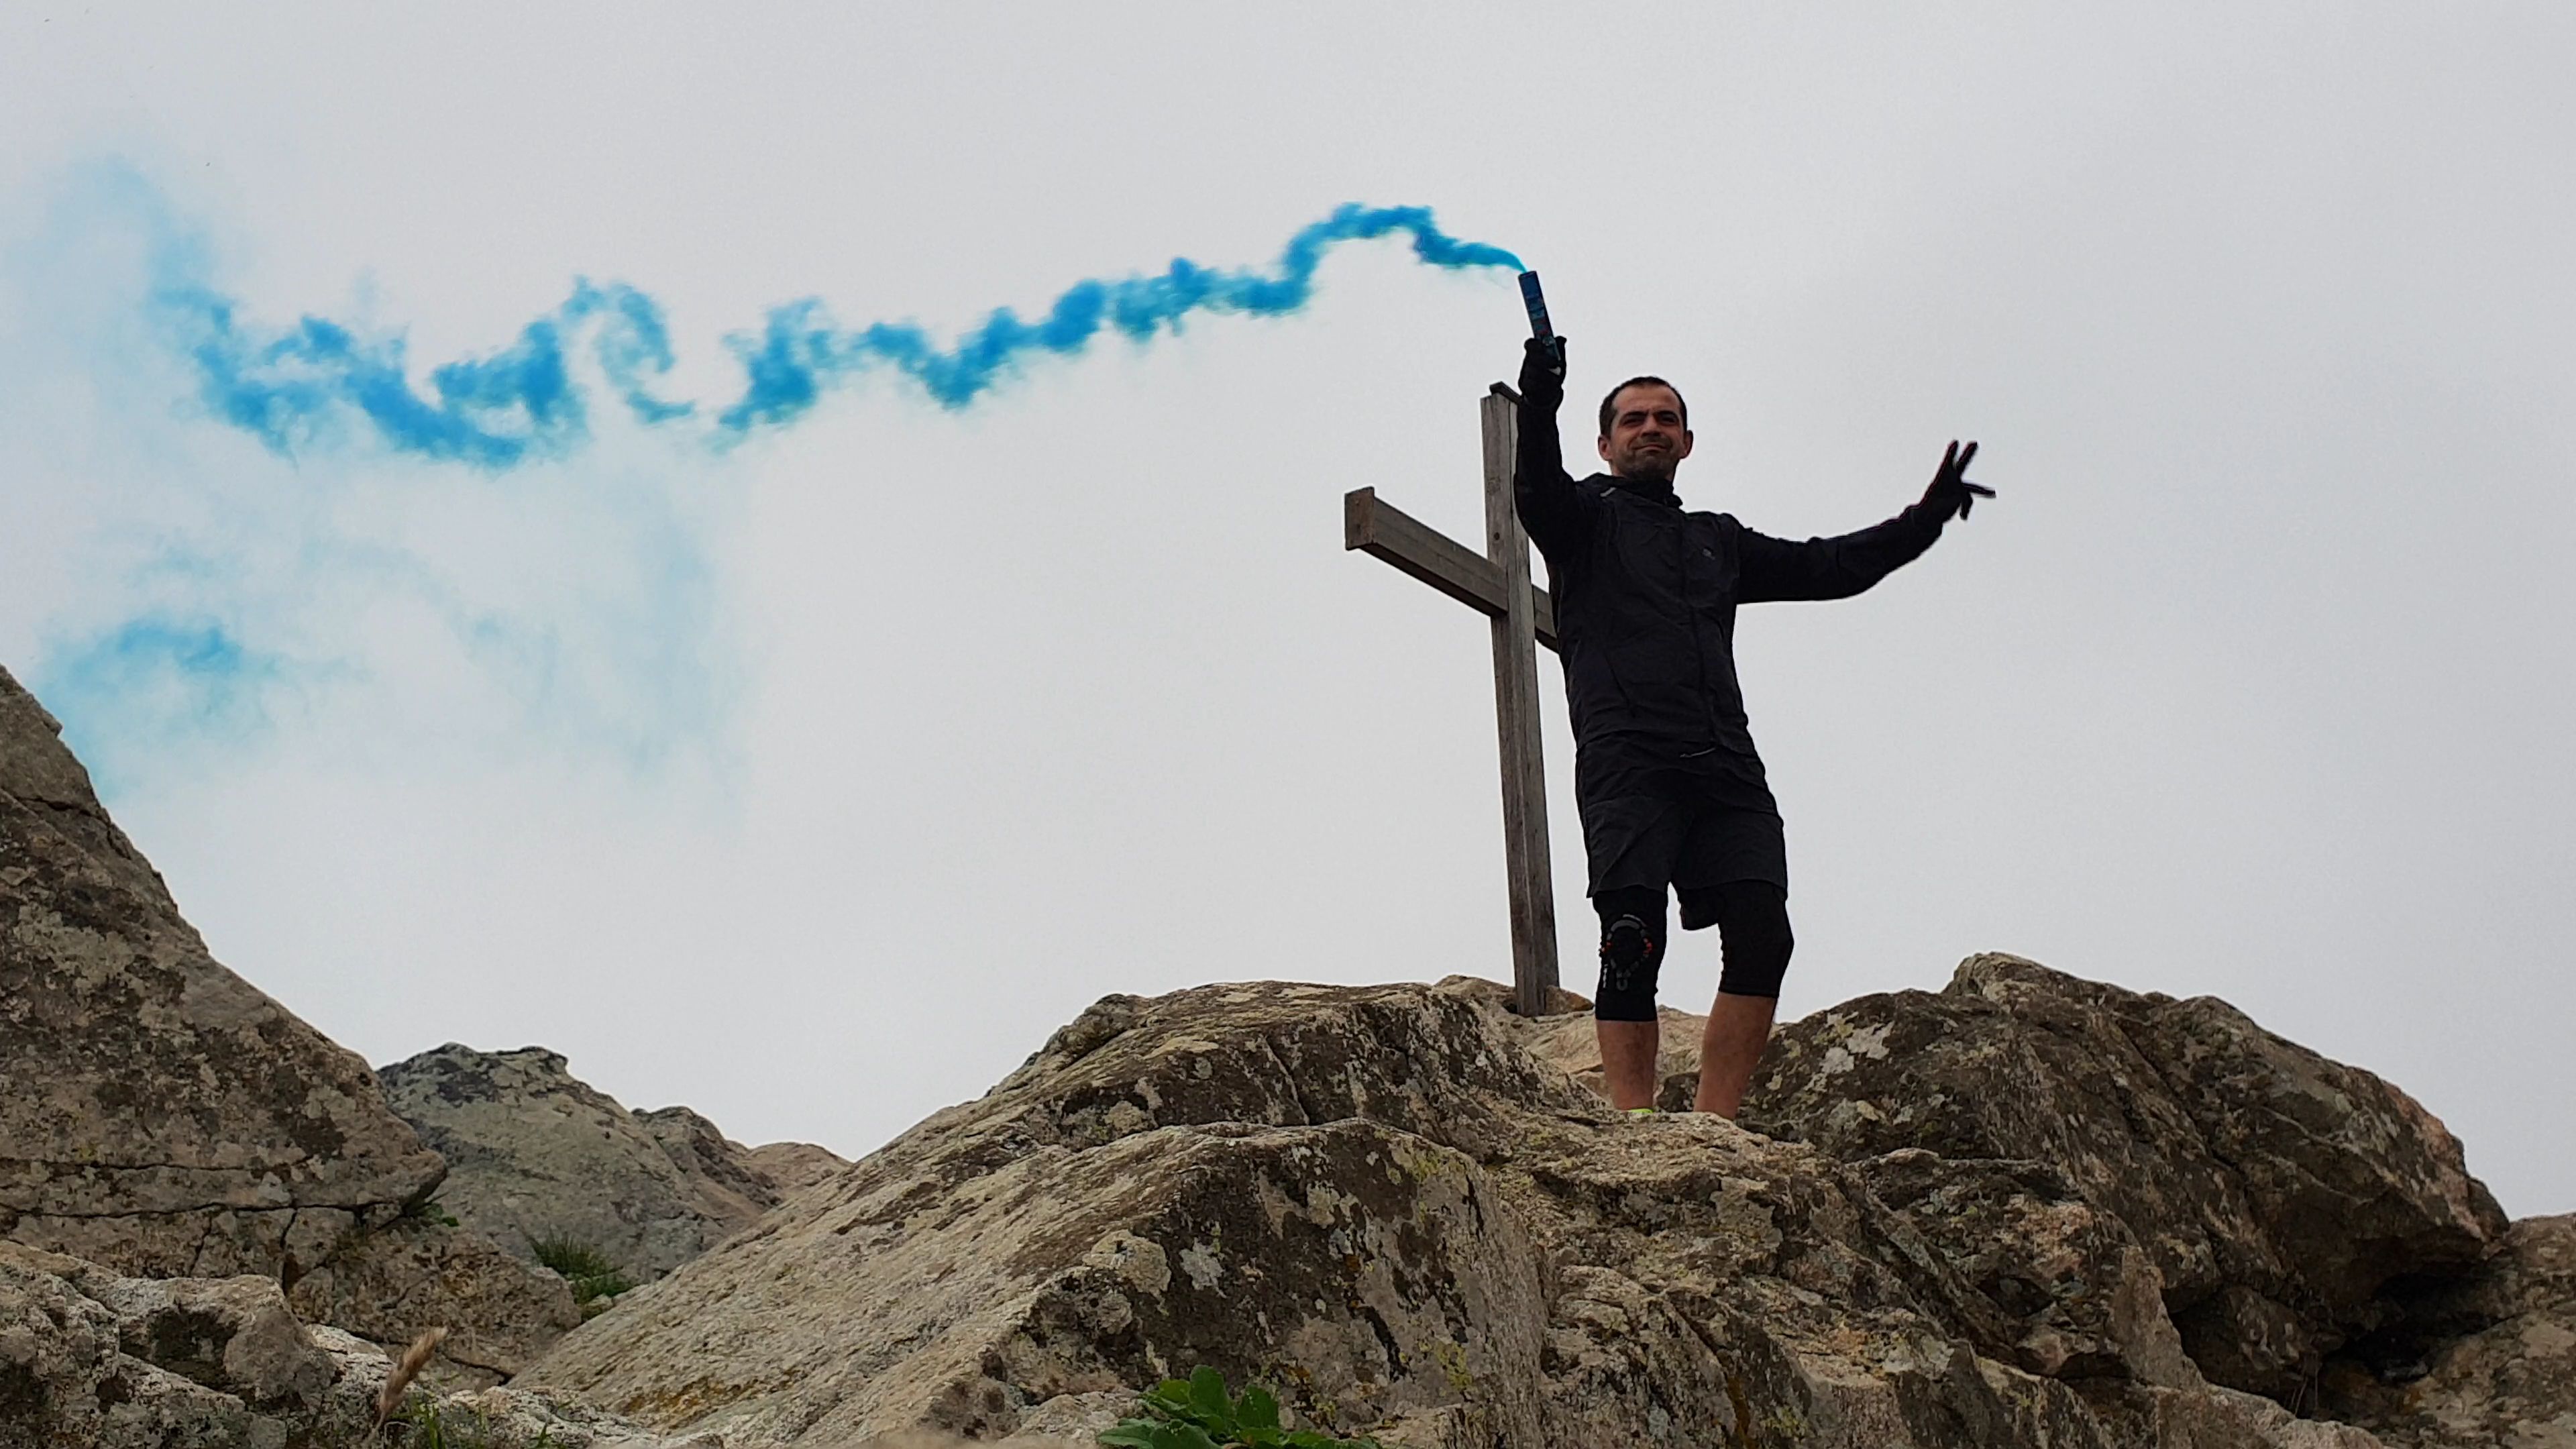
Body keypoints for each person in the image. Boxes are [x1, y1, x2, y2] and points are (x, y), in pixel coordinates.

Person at [1512, 335, 1992, 1118]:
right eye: (1633, 420)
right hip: (1627, 759)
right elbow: (1535, 486)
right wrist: (1542, 395)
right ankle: (1633, 1126)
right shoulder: (1583, 522)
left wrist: (1926, 517)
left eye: (1666, 418)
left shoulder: (1716, 540)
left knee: (1765, 936)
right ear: (1604, 444)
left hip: (1726, 766)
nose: (1651, 429)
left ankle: (1715, 1124)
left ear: (1688, 442)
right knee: (1631, 938)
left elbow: (1832, 568)